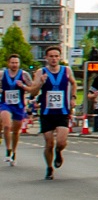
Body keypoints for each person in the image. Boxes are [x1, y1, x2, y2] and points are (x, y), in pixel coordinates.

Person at [26, 44, 75, 180]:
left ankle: (59, 152)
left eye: (56, 56)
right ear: (46, 58)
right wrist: (40, 83)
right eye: (51, 56)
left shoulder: (66, 70)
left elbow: (74, 83)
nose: (54, 59)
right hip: (47, 112)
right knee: (49, 143)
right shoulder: (40, 72)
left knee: (61, 141)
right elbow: (33, 92)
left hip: (62, 111)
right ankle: (49, 168)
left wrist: (73, 98)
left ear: (60, 58)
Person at [1, 52, 30, 166]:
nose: (14, 65)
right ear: (8, 63)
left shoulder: (24, 74)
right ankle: (8, 150)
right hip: (5, 104)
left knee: (16, 131)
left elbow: (32, 87)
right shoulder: (2, 74)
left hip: (19, 105)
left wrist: (23, 86)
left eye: (16, 63)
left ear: (19, 64)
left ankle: (14, 151)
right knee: (7, 125)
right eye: (12, 63)